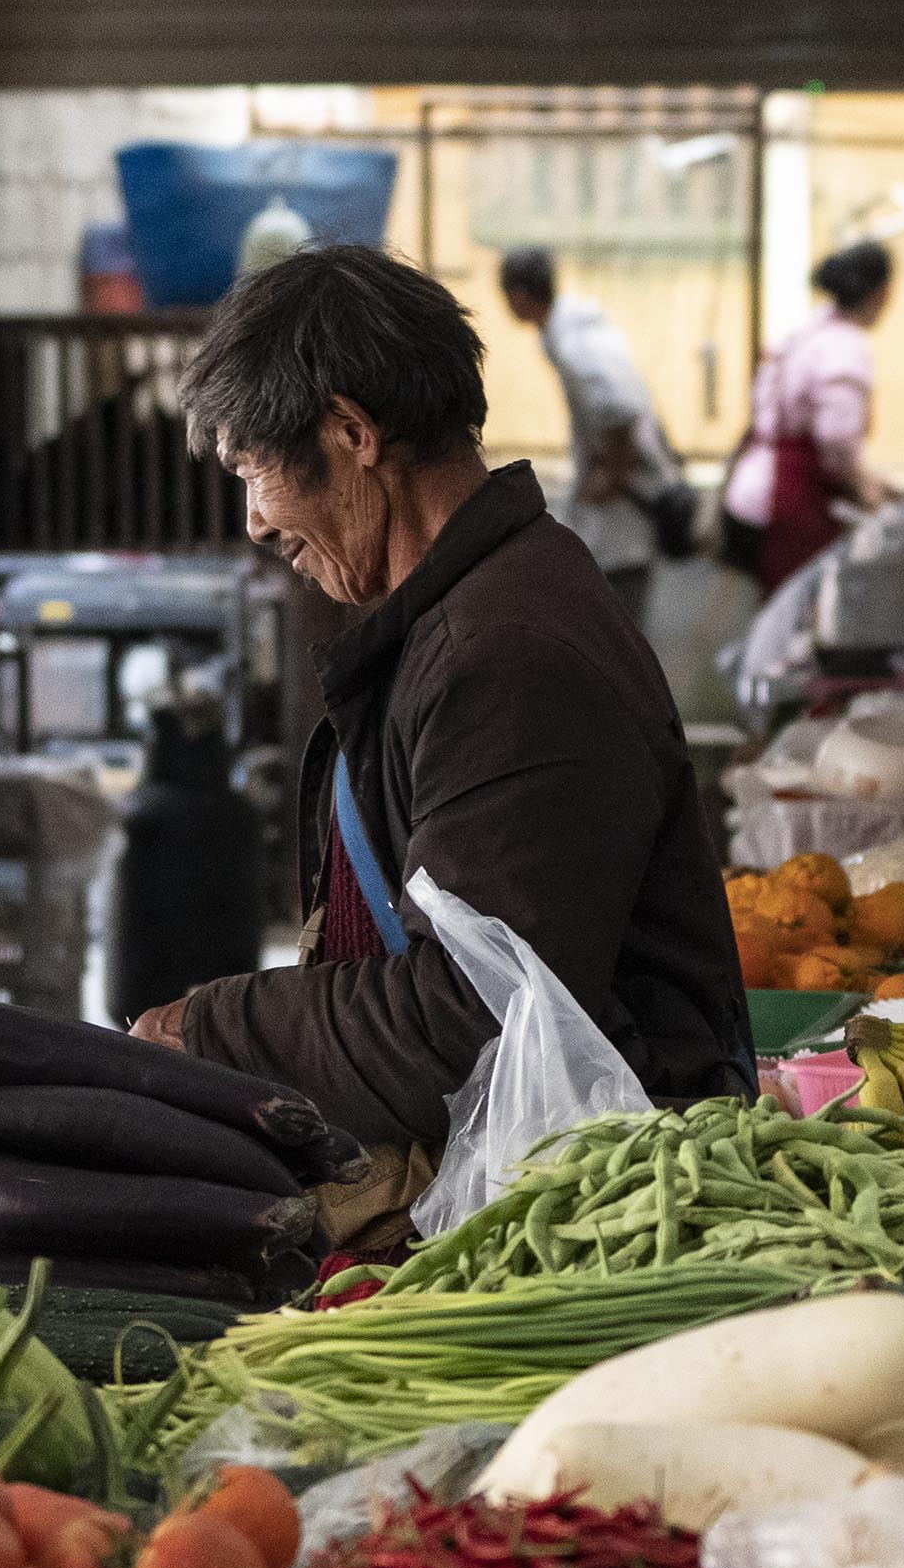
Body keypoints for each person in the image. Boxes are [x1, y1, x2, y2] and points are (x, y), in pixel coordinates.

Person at [129, 245, 749, 1218]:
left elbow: (474, 1016)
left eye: (253, 468)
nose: (254, 520)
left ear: (350, 431)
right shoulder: (472, 608)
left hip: (609, 1205)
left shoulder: (502, 651)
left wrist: (209, 1030)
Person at [498, 245, 682, 628]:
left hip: (625, 508)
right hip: (619, 508)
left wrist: (613, 473)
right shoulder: (570, 328)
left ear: (518, 295)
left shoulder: (574, 339)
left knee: (619, 622)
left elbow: (621, 404)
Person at [722, 241, 894, 592]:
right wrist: (863, 489)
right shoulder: (843, 347)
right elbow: (836, 439)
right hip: (789, 501)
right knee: (796, 616)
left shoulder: (805, 330)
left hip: (750, 491)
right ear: (881, 293)